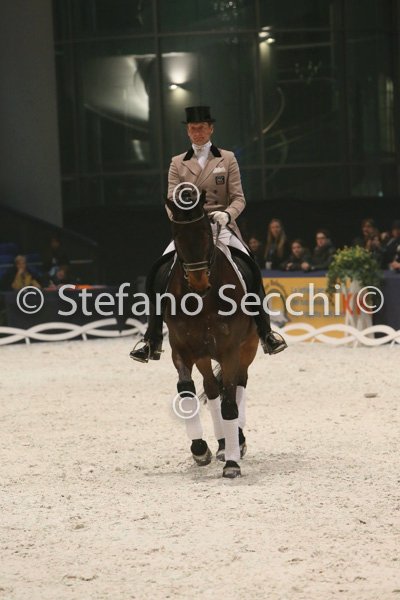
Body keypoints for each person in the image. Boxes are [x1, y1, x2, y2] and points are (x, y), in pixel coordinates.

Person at [130, 105, 287, 362]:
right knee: (159, 272)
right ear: (188, 131)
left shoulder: (227, 158)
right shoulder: (177, 163)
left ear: (210, 129)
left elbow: (239, 198)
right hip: (191, 229)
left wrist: (228, 214)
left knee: (250, 269)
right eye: (193, 129)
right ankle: (151, 338)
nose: (197, 133)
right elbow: (171, 200)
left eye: (201, 128)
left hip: (220, 227)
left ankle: (266, 332)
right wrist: (182, 221)